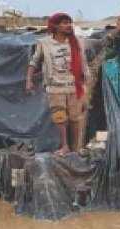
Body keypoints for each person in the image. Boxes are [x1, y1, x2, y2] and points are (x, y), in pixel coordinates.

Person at [26, 13, 92, 154]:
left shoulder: (77, 42)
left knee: (75, 118)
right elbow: (34, 61)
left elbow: (85, 61)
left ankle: (76, 147)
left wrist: (117, 30)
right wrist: (29, 80)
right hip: (55, 87)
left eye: (69, 22)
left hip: (75, 86)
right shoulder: (44, 43)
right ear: (55, 26)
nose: (68, 25)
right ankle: (65, 146)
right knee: (60, 117)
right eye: (64, 23)